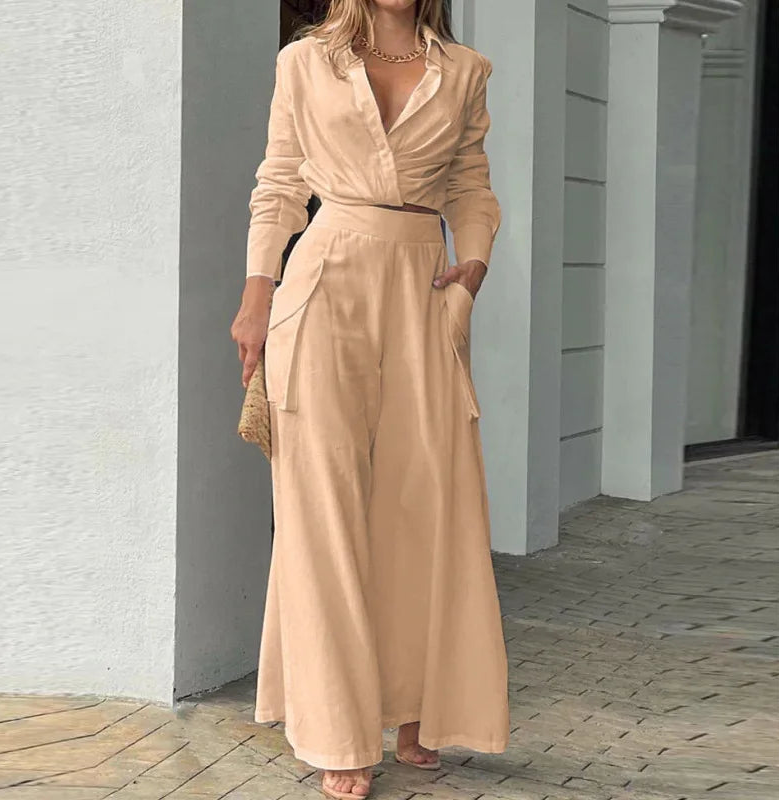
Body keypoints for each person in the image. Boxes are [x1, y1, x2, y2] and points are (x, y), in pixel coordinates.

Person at [230, 1, 509, 797]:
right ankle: (339, 731)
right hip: (323, 283)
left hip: (423, 287)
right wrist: (257, 297)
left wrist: (475, 269)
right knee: (322, 508)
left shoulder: (465, 71)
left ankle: (417, 703)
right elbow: (279, 183)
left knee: (426, 501)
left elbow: (470, 187)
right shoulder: (305, 62)